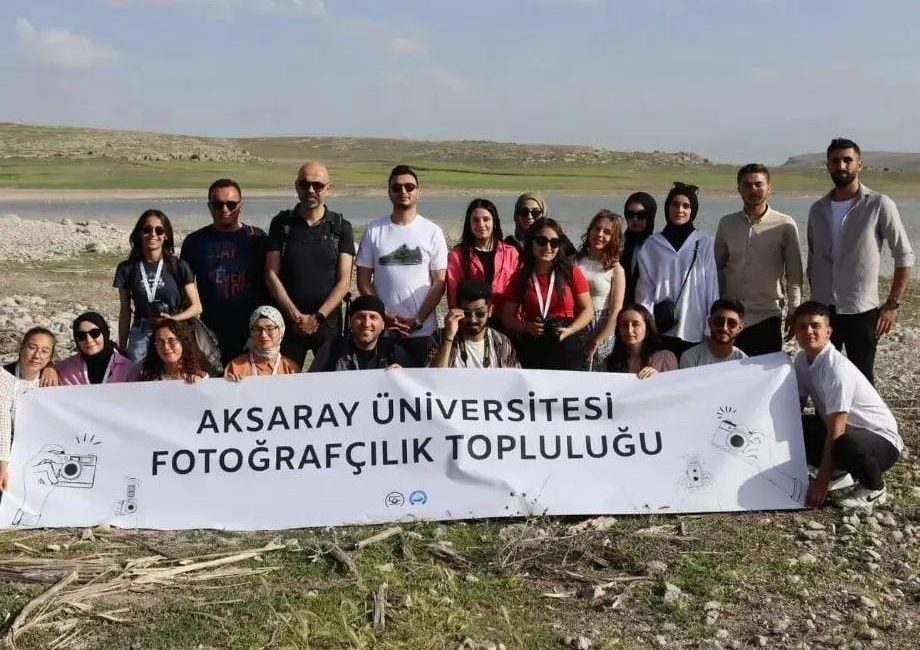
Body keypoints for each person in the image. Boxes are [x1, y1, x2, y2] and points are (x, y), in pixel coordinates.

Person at [806, 138, 915, 384]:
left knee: (862, 379)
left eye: (847, 160)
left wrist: (892, 305)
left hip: (861, 310)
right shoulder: (817, 209)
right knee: (822, 376)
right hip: (823, 310)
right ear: (828, 166)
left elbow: (904, 256)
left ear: (859, 164)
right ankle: (826, 423)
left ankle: (865, 423)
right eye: (835, 161)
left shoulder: (878, 204)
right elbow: (813, 258)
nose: (841, 165)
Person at [792, 301, 902, 510]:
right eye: (802, 326)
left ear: (828, 331)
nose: (809, 331)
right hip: (846, 433)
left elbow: (837, 428)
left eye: (815, 325)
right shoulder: (801, 360)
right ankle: (840, 472)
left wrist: (820, 483)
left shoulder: (836, 368)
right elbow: (794, 406)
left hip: (880, 439)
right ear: (795, 333)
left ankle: (874, 487)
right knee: (795, 426)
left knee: (844, 443)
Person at [356, 165, 448, 367]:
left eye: (409, 187)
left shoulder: (433, 232)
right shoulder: (374, 230)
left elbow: (439, 282)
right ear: (389, 193)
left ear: (418, 192)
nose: (403, 192)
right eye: (397, 188)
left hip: (424, 332)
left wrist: (418, 320)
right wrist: (385, 315)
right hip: (384, 331)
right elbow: (363, 280)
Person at [265, 162, 355, 367]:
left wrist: (318, 318)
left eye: (318, 185)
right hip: (287, 324)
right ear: (297, 186)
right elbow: (271, 274)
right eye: (305, 185)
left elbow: (344, 281)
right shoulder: (281, 224)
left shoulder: (341, 227)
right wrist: (295, 316)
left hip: (327, 325)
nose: (311, 190)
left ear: (328, 188)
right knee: (284, 383)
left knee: (331, 384)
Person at [715, 164, 803, 357]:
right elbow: (717, 268)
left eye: (758, 184)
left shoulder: (785, 225)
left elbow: (794, 273)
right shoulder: (726, 224)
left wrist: (794, 310)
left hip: (767, 315)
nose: (753, 190)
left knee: (763, 377)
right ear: (739, 189)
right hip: (730, 317)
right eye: (747, 185)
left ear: (769, 188)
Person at [180, 178, 269, 365]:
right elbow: (184, 289)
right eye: (218, 205)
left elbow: (271, 282)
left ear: (241, 205)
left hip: (253, 331)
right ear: (209, 206)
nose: (225, 210)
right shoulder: (195, 242)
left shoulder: (258, 238)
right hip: (210, 333)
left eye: (231, 204)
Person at [635, 182, 719, 357]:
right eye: (675, 204)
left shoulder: (704, 243)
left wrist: (710, 326)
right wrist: (647, 326)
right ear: (667, 207)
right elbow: (645, 291)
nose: (680, 210)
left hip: (695, 328)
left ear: (692, 210)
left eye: (686, 206)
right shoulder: (652, 245)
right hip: (662, 329)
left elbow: (712, 287)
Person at [500, 217, 593, 370]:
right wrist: (526, 326)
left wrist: (571, 329)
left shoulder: (571, 272)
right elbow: (507, 317)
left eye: (554, 242)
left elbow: (588, 310)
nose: (548, 247)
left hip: (567, 342)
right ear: (531, 242)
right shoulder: (521, 277)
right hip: (534, 346)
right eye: (541, 241)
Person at [114, 209, 202, 363]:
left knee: (177, 375)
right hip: (142, 330)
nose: (153, 234)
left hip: (174, 329)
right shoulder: (126, 268)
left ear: (166, 235)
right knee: (137, 376)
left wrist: (173, 319)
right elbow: (125, 312)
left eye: (159, 230)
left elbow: (197, 307)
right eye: (147, 229)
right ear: (139, 233)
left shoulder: (179, 266)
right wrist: (122, 346)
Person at [446, 198, 519, 329]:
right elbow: (453, 292)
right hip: (472, 321)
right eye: (475, 220)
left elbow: (518, 289)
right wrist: (457, 322)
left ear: (494, 222)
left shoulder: (511, 253)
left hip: (505, 321)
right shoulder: (458, 254)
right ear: (469, 224)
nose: (481, 224)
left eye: (486, 219)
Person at [1, 328, 57, 492]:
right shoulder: (3, 376)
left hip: (33, 453)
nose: (37, 355)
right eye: (32, 347)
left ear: (50, 357)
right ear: (22, 348)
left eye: (45, 351)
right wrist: (3, 466)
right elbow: (2, 422)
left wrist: (52, 368)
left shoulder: (50, 380)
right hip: (5, 451)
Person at [427, 279, 520, 368]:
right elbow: (434, 378)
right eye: (467, 313)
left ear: (490, 311)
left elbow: (513, 379)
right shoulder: (439, 338)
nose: (473, 320)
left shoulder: (501, 342)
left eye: (480, 313)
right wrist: (448, 339)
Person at [574, 210, 626, 370]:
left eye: (607, 232)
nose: (600, 234)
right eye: (597, 229)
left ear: (614, 238)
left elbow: (616, 310)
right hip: (575, 326)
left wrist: (598, 340)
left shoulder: (615, 269)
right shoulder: (575, 261)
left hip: (600, 328)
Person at [309, 295, 410, 372]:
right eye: (360, 317)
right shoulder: (332, 350)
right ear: (350, 321)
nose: (366, 324)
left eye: (373, 317)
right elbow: (311, 384)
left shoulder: (395, 353)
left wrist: (402, 377)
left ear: (383, 324)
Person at [56, 313, 137, 385]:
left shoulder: (126, 368)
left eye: (94, 333)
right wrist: (50, 368)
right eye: (81, 336)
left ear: (105, 334)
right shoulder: (66, 368)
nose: (89, 340)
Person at [224, 306, 301, 379]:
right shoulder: (235, 367)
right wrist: (228, 384)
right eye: (257, 329)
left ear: (280, 330)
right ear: (251, 332)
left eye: (270, 328)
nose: (263, 335)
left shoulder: (290, 369)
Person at [607, 304, 678, 378]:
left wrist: (658, 377)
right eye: (624, 325)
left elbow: (674, 386)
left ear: (647, 329)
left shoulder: (664, 358)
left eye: (636, 324)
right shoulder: (611, 361)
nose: (629, 330)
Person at [679, 299, 749, 368]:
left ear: (739, 328)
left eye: (731, 323)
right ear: (709, 322)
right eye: (719, 321)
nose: (724, 328)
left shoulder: (744, 360)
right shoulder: (690, 357)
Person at [140, 320, 208, 382]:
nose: (166, 347)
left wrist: (199, 383)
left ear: (182, 342)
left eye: (172, 341)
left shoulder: (200, 376)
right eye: (160, 342)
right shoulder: (147, 377)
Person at [621, 192, 657, 304]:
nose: (635, 219)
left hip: (647, 309)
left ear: (650, 216)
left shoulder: (657, 247)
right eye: (630, 214)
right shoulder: (618, 244)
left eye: (641, 215)